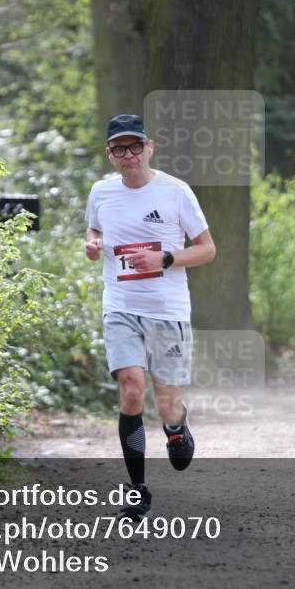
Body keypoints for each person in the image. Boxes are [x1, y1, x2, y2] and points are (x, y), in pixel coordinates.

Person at [84, 114, 217, 519]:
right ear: (110, 155)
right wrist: (93, 245)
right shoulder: (101, 193)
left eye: (135, 146)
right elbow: (94, 231)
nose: (129, 155)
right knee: (131, 391)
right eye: (120, 149)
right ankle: (137, 488)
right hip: (121, 306)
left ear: (150, 147)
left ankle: (176, 427)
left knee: (166, 404)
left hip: (168, 311)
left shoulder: (176, 192)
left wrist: (165, 257)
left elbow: (207, 249)